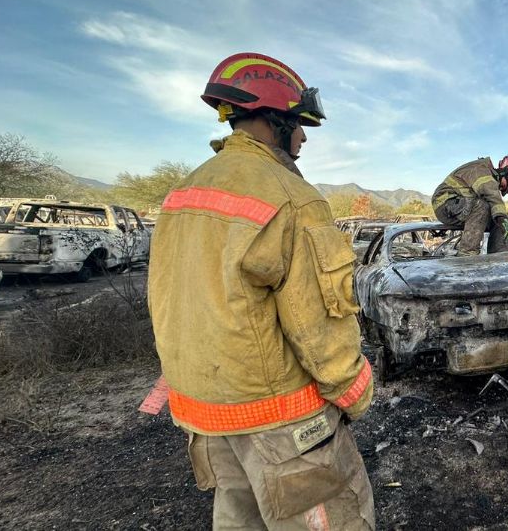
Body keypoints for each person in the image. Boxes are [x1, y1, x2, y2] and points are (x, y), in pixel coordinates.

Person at [148, 52, 375, 530]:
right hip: (280, 422)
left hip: (206, 416)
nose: (305, 137)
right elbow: (319, 322)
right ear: (276, 120)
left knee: (239, 518)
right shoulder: (291, 197)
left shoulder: (183, 194)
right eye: (300, 123)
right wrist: (355, 392)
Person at [431, 155, 508, 255]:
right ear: (504, 174)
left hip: (462, 207)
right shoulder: (482, 170)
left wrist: (503, 221)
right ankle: (467, 254)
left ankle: (499, 256)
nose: (500, 188)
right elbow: (492, 195)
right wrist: (501, 217)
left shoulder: (487, 175)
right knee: (482, 206)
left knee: (503, 218)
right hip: (445, 204)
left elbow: (494, 205)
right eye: (504, 186)